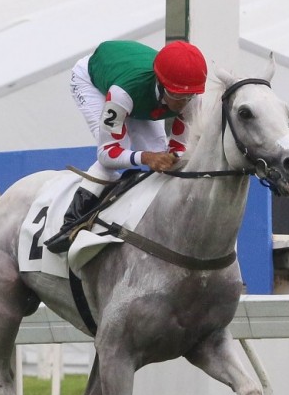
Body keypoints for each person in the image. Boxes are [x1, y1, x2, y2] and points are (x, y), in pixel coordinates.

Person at [44, 39, 208, 254]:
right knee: (121, 149)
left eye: (189, 96)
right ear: (160, 83)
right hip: (94, 82)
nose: (183, 103)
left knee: (162, 155)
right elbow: (107, 153)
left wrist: (171, 158)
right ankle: (71, 223)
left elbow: (178, 149)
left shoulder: (191, 97)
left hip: (137, 93)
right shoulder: (122, 93)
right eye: (177, 95)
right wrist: (146, 158)